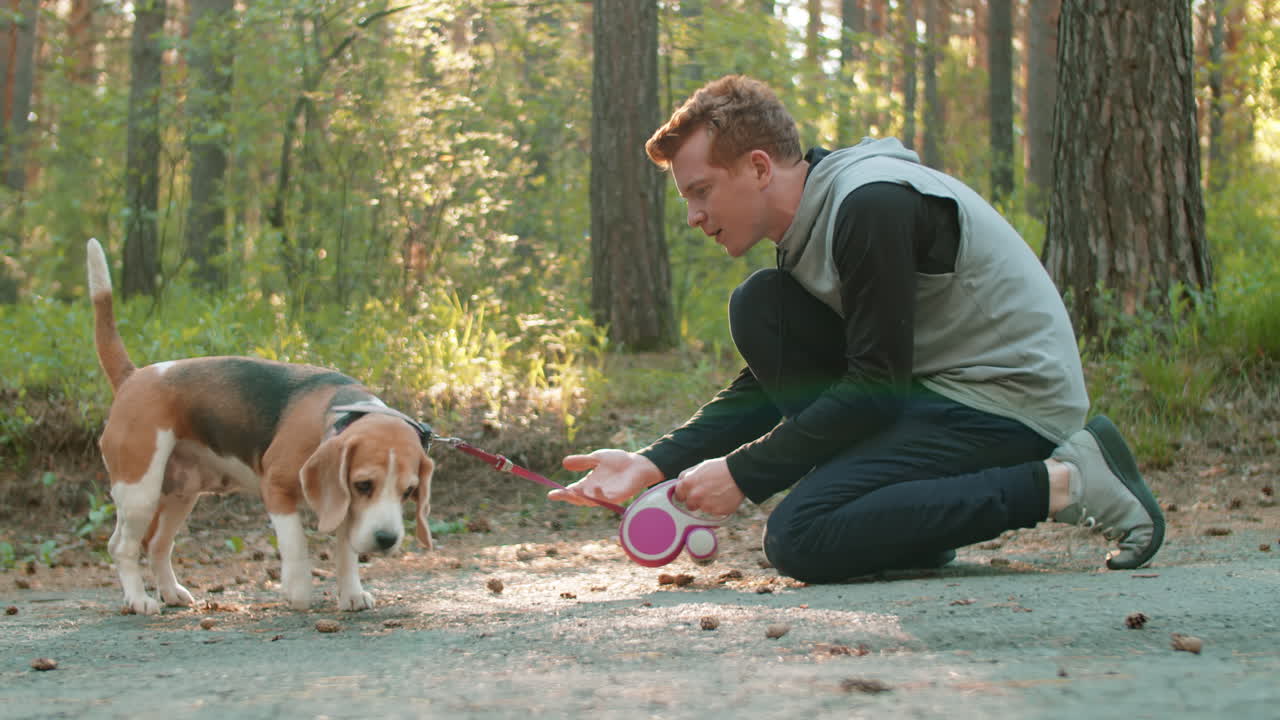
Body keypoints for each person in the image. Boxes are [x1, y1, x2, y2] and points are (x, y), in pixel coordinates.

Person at [549, 74, 1164, 582]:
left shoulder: (870, 205)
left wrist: (743, 474)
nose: (693, 216)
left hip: (1009, 403)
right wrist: (651, 464)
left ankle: (1069, 481)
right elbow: (768, 389)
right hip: (939, 396)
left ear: (759, 167)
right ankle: (906, 530)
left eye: (701, 190)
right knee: (763, 307)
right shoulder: (809, 229)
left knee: (801, 538)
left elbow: (876, 382)